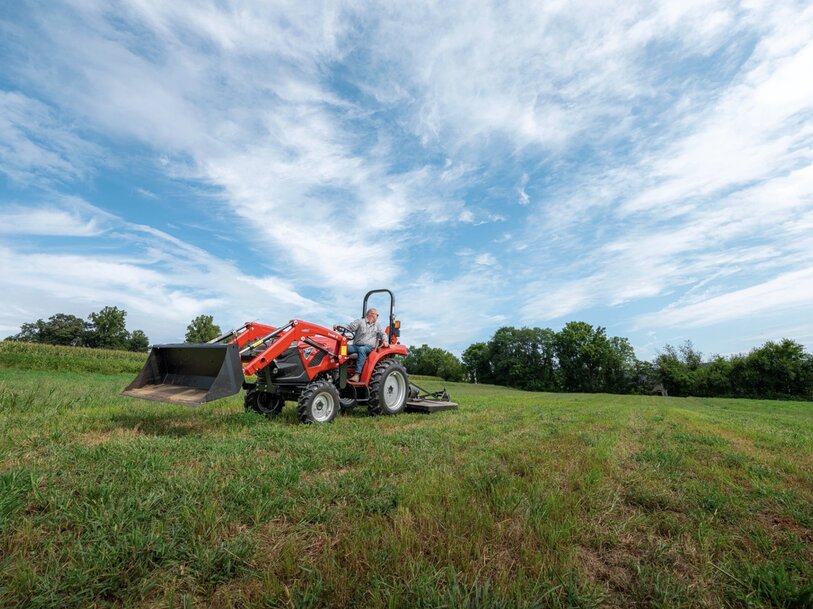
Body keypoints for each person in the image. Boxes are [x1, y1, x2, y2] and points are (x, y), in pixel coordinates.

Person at [338, 308, 388, 382]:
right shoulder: (360, 322)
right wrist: (339, 327)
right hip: (356, 346)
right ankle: (338, 372)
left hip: (368, 347)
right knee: (343, 348)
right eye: (377, 315)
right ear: (371, 314)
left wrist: (385, 341)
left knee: (362, 349)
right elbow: (349, 327)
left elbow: (383, 334)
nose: (377, 317)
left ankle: (357, 375)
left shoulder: (377, 325)